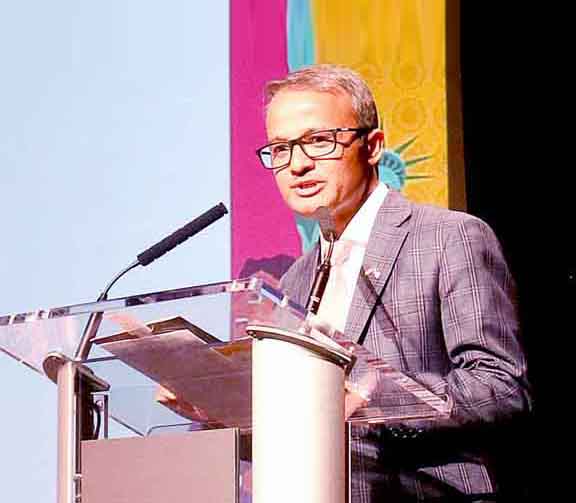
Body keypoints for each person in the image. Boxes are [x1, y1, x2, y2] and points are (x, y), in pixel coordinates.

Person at [255, 64, 532, 502]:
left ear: (373, 146)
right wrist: (217, 407)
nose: (297, 164)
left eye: (318, 141)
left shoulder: (449, 237)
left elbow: (499, 387)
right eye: (280, 148)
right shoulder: (295, 279)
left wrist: (376, 397)